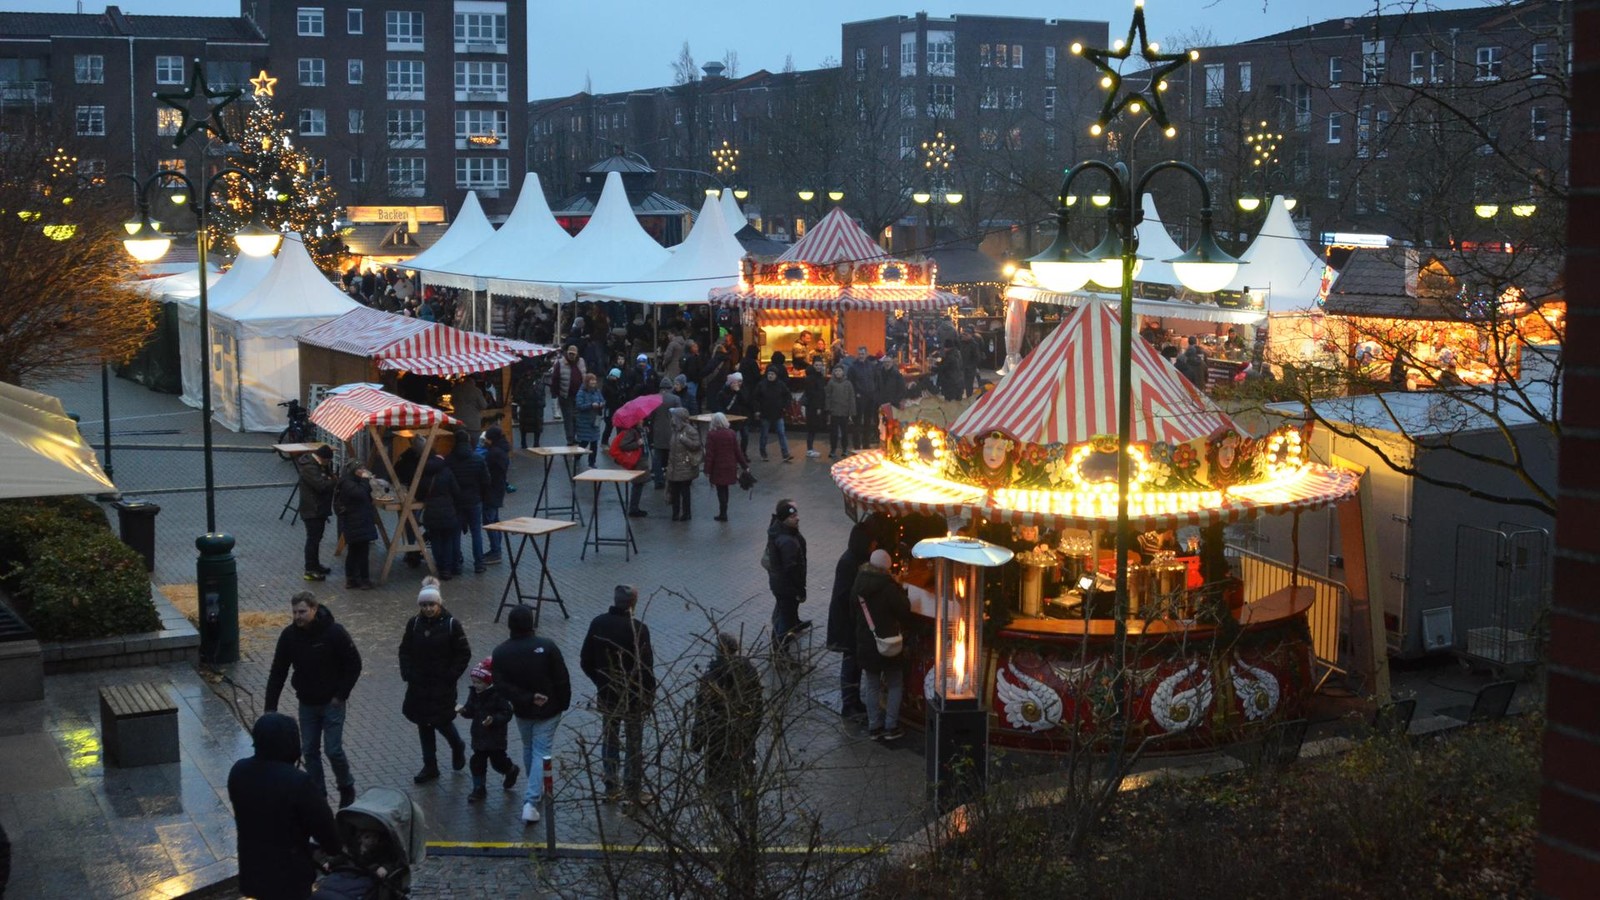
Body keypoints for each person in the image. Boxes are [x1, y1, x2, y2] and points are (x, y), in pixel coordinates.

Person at [263, 592, 362, 809]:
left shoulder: (335, 633)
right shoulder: (289, 636)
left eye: (302, 612)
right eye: (295, 612)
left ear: (314, 609)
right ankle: (319, 794)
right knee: (309, 750)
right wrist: (270, 707)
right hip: (307, 702)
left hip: (331, 702)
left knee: (333, 750)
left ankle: (346, 786)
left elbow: (354, 664)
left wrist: (341, 695)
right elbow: (278, 671)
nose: (298, 617)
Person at [228, 712, 342, 900]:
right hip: (289, 880)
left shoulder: (239, 771)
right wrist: (334, 849)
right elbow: (327, 832)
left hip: (253, 871)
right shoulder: (299, 782)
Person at [491, 605, 572, 826]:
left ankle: (534, 789)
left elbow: (501, 685)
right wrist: (561, 703)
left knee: (529, 748)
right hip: (549, 710)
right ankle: (531, 799)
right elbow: (562, 678)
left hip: (523, 710)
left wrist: (525, 698)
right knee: (541, 751)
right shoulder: (547, 647)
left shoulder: (500, 652)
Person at [579, 585, 658, 804]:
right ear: (633, 603)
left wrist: (601, 682)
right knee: (634, 742)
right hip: (634, 696)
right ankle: (633, 788)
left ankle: (611, 786)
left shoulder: (598, 624)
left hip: (608, 694)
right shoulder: (639, 629)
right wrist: (649, 694)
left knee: (610, 738)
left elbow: (585, 660)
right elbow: (646, 668)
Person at [399, 577, 471, 784]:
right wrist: (407, 672)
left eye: (431, 604)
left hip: (442, 685)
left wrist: (450, 675)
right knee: (424, 724)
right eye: (424, 605)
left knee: (442, 721)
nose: (428, 608)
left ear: (439, 604)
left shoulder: (451, 625)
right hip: (419, 685)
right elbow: (405, 650)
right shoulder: (414, 624)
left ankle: (457, 745)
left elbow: (463, 653)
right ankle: (430, 765)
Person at [691, 632, 763, 831]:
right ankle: (749, 825)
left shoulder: (710, 677)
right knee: (746, 783)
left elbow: (702, 714)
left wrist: (697, 743)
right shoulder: (749, 673)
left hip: (718, 741)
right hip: (743, 739)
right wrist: (750, 732)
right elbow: (758, 709)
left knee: (721, 785)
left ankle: (729, 827)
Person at [853, 549, 911, 742]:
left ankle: (873, 726)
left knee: (872, 685)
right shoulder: (888, 587)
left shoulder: (859, 582)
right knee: (895, 682)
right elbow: (904, 610)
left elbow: (852, 609)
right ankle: (891, 726)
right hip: (888, 643)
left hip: (867, 642)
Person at [827, 521, 881, 723]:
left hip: (852, 622)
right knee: (850, 663)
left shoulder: (856, 559)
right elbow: (845, 596)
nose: (875, 544)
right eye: (872, 540)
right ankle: (848, 704)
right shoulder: (849, 562)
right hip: (847, 624)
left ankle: (854, 700)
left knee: (855, 662)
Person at [459, 658, 520, 803]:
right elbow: (471, 710)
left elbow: (507, 713)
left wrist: (493, 719)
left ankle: (510, 770)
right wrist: (464, 711)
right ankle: (478, 788)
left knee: (498, 761)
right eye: (474, 682)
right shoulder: (474, 693)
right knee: (477, 762)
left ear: (488, 681)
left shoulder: (498, 694)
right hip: (479, 735)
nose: (476, 685)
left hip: (495, 737)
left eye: (479, 683)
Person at [765, 499, 808, 650]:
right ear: (784, 520)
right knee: (785, 618)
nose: (797, 518)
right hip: (786, 587)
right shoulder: (787, 541)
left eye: (796, 514)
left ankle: (778, 646)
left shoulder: (781, 532)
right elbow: (791, 570)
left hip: (780, 585)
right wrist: (799, 589)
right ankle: (780, 650)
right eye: (792, 516)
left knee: (783, 612)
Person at [446, 427, 490, 575]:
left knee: (455, 533)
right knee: (476, 532)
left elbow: (447, 481)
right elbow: (486, 481)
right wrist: (481, 495)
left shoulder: (449, 460)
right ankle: (479, 563)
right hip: (474, 500)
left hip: (456, 502)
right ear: (469, 441)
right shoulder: (478, 459)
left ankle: (456, 564)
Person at [295, 445, 337, 583]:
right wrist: (332, 481)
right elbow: (322, 486)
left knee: (317, 538)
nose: (328, 464)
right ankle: (310, 570)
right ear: (322, 458)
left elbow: (327, 478)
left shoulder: (319, 466)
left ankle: (315, 565)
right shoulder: (310, 468)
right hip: (312, 510)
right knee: (313, 540)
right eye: (328, 461)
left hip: (318, 509)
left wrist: (329, 478)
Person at [419, 449, 463, 579]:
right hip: (448, 512)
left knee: (436, 540)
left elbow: (419, 494)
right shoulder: (447, 473)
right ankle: (447, 569)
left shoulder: (424, 475)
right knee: (448, 540)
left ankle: (439, 565)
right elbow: (456, 491)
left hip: (431, 513)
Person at [334, 459, 377, 590]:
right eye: (360, 469)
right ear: (354, 471)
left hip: (357, 521)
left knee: (354, 551)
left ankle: (352, 579)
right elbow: (361, 494)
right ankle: (363, 580)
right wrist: (365, 480)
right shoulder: (348, 483)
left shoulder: (348, 481)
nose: (363, 471)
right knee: (360, 552)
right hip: (356, 522)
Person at [702, 411, 748, 522]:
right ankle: (724, 512)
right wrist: (744, 465)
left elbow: (710, 454)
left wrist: (707, 470)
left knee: (720, 489)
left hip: (718, 467)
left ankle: (723, 513)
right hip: (730, 465)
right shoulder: (731, 433)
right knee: (725, 488)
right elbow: (737, 452)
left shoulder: (712, 435)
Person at [648, 377, 684, 491]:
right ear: (670, 387)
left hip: (658, 431)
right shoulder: (675, 399)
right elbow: (680, 414)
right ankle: (673, 479)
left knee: (657, 456)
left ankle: (658, 480)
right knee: (673, 455)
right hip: (672, 430)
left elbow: (651, 417)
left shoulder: (654, 399)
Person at [481, 425, 510, 565]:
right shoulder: (502, 451)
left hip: (491, 491)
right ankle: (496, 549)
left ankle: (496, 551)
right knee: (495, 521)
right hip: (498, 490)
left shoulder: (493, 454)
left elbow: (486, 473)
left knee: (490, 522)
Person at [548, 345, 587, 445]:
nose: (571, 356)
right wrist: (555, 393)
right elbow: (555, 379)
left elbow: (584, 376)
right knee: (568, 417)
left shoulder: (581, 362)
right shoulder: (560, 363)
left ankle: (574, 436)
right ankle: (570, 438)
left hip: (579, 395)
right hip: (565, 395)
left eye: (573, 354)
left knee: (576, 417)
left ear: (577, 354)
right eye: (570, 353)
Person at [756, 367, 794, 462]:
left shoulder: (780, 385)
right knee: (764, 434)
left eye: (772, 374)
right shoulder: (762, 385)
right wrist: (757, 410)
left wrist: (785, 406)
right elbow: (756, 398)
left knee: (781, 433)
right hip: (765, 413)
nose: (770, 376)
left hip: (778, 413)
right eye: (769, 374)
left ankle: (785, 454)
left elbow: (788, 395)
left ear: (776, 375)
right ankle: (763, 452)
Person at [848, 347, 880, 450]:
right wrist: (856, 393)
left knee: (868, 422)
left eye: (863, 354)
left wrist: (874, 392)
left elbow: (875, 379)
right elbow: (850, 382)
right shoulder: (853, 367)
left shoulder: (871, 366)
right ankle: (857, 445)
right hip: (859, 397)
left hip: (870, 397)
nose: (861, 356)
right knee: (857, 423)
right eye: (859, 354)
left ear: (866, 354)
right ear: (857, 354)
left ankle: (866, 444)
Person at [574, 372, 606, 466]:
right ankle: (577, 456)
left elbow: (602, 400)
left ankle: (592, 462)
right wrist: (591, 405)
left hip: (595, 421)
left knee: (594, 443)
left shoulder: (597, 391)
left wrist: (601, 404)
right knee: (584, 442)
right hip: (584, 421)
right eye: (591, 380)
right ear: (587, 381)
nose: (593, 382)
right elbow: (579, 405)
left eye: (594, 380)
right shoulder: (581, 392)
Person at [825, 365, 856, 458]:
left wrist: (851, 412)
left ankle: (845, 449)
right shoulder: (831, 383)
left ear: (843, 372)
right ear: (834, 372)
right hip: (834, 412)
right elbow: (828, 396)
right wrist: (828, 409)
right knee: (833, 433)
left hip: (844, 412)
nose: (838, 373)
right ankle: (833, 449)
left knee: (845, 432)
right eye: (836, 371)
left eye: (840, 371)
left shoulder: (848, 384)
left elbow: (851, 398)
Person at [514, 366, 547, 451]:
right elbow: (517, 395)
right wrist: (522, 402)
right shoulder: (523, 382)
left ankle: (536, 442)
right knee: (525, 426)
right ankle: (524, 442)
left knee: (537, 425)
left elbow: (542, 394)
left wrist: (541, 403)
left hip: (536, 407)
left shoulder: (538, 382)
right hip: (527, 407)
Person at [802, 354, 828, 458]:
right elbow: (812, 394)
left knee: (812, 428)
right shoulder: (811, 378)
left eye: (820, 365)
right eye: (816, 365)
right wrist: (818, 407)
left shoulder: (820, 377)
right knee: (811, 428)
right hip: (812, 406)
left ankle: (810, 449)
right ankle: (809, 449)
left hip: (816, 406)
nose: (818, 367)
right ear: (813, 365)